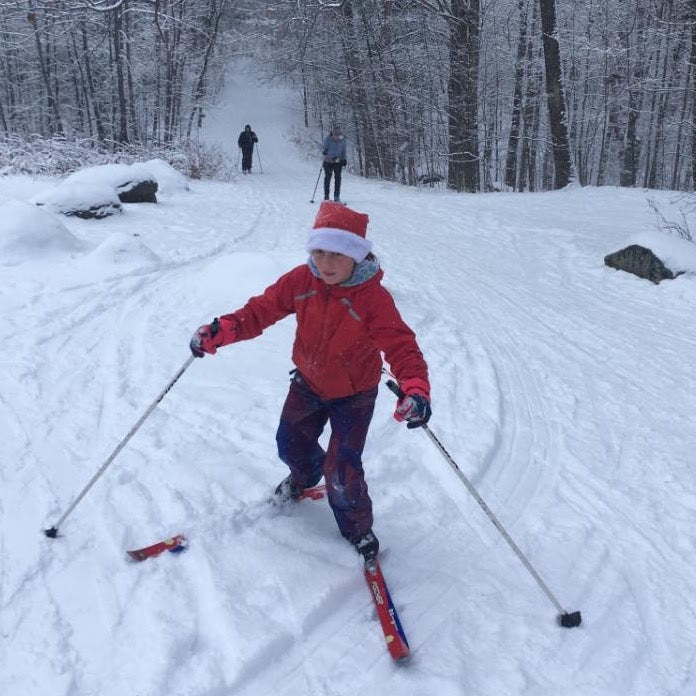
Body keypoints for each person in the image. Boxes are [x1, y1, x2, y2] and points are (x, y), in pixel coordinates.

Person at [189, 202, 431, 563]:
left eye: (337, 254)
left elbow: (400, 345)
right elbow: (260, 311)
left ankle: (356, 526)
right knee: (289, 444)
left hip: (354, 395)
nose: (326, 263)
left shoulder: (372, 299)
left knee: (342, 470)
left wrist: (415, 388)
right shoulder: (301, 281)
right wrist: (222, 331)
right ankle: (303, 476)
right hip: (307, 382)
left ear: (356, 255)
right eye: (319, 252)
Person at [322, 126, 347, 202]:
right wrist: (325, 152)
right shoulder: (328, 139)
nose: (336, 136)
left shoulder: (343, 140)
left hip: (338, 162)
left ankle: (336, 196)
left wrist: (344, 160)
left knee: (338, 178)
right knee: (327, 178)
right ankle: (326, 196)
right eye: (334, 134)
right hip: (328, 161)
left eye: (338, 134)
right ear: (332, 134)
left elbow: (343, 151)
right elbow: (324, 149)